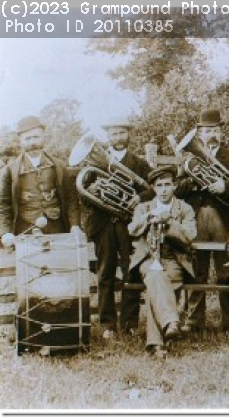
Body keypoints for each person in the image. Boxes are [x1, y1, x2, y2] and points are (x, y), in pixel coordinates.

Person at [175, 109, 229, 333]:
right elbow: (177, 189)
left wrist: (225, 187)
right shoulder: (190, 160)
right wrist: (192, 182)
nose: (212, 134)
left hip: (223, 217)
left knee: (225, 269)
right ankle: (194, 320)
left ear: (222, 132)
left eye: (216, 130)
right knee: (196, 269)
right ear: (199, 133)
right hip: (197, 216)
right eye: (207, 130)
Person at [82, 118, 152, 339]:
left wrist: (139, 197)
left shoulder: (139, 163)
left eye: (122, 133)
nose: (118, 137)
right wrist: (94, 190)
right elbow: (83, 195)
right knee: (105, 273)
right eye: (114, 134)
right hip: (103, 225)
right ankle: (107, 324)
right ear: (108, 137)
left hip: (129, 225)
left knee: (132, 271)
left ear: (128, 135)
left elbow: (153, 189)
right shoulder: (95, 165)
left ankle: (130, 323)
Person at [128, 166, 196, 358]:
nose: (164, 190)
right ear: (153, 188)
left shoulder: (185, 208)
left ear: (174, 186)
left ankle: (157, 345)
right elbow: (132, 229)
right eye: (159, 186)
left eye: (168, 185)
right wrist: (149, 218)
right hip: (149, 259)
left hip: (175, 260)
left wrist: (170, 223)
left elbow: (190, 236)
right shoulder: (144, 207)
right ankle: (171, 322)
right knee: (156, 276)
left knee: (155, 288)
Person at [0, 116, 81, 246]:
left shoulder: (59, 166)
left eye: (36, 137)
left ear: (43, 138)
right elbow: (3, 205)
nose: (33, 142)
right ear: (20, 141)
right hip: (25, 230)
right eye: (28, 138)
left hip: (57, 229)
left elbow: (71, 199)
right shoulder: (10, 170)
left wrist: (75, 225)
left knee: (61, 265)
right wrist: (5, 232)